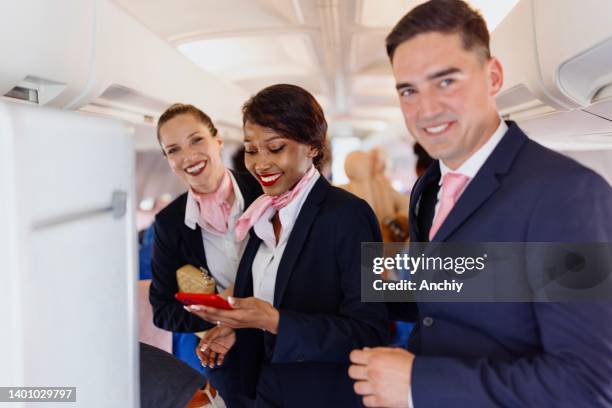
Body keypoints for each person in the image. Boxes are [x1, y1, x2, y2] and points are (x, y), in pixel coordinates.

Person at [348, 0, 612, 407]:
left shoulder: (569, 193)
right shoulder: (430, 188)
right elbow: (442, 290)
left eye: (446, 81)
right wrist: (337, 278)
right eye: (408, 90)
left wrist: (419, 384)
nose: (427, 109)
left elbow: (588, 386)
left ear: (493, 77)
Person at [184, 84, 390, 407]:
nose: (260, 163)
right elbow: (267, 304)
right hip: (265, 394)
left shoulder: (349, 216)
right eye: (252, 150)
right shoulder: (261, 214)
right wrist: (239, 330)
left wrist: (275, 321)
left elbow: (371, 331)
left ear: (312, 146)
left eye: (276, 147)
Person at [149, 103, 262, 402]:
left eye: (196, 140)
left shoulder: (264, 190)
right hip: (229, 361)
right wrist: (218, 318)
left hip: (284, 346)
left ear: (218, 140)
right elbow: (163, 312)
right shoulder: (169, 224)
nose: (188, 156)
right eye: (173, 150)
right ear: (168, 160)